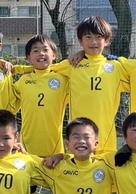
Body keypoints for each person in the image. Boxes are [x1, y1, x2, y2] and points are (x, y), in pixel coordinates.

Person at [12, 34, 69, 194]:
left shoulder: (63, 79)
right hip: (28, 146)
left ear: (54, 55)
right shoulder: (22, 82)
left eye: (45, 50)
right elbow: (10, 105)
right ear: (28, 57)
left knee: (58, 189)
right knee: (28, 189)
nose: (41, 54)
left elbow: (73, 67)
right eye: (35, 51)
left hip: (54, 147)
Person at [50, 16, 129, 154]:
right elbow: (44, 70)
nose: (93, 42)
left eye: (98, 37)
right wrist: (18, 69)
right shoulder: (72, 65)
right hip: (78, 140)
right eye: (88, 37)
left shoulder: (116, 67)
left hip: (106, 141)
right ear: (80, 41)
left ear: (107, 40)